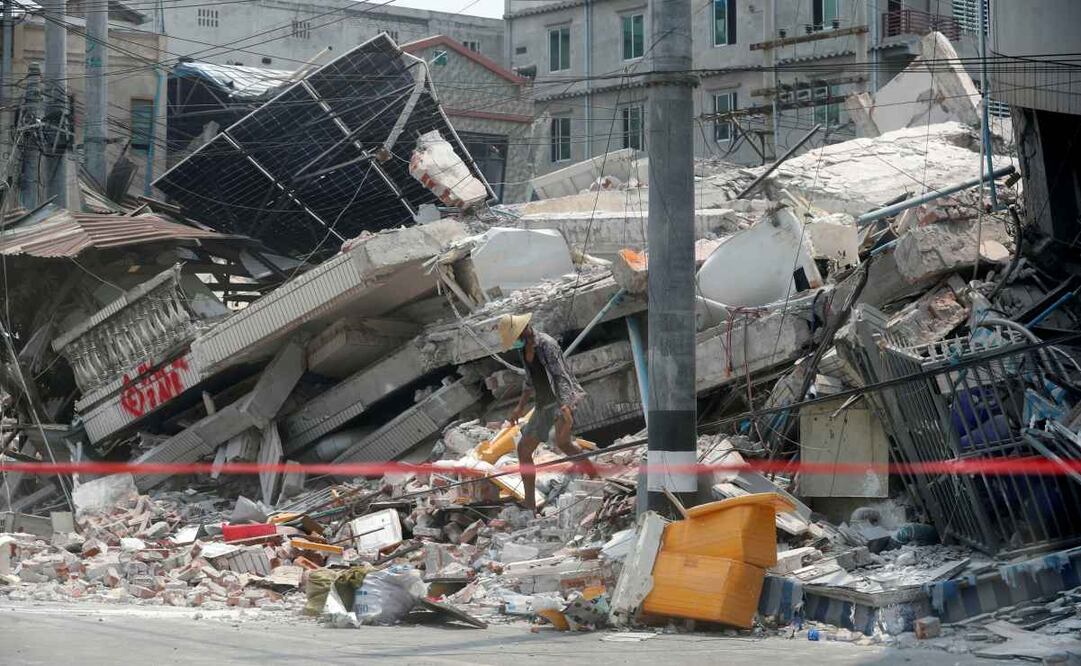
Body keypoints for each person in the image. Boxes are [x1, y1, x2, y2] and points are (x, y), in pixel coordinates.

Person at [498, 313, 599, 514]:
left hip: (561, 401)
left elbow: (561, 377)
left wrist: (566, 406)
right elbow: (529, 381)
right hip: (544, 404)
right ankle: (529, 503)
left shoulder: (547, 345)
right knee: (524, 450)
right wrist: (519, 407)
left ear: (524, 329)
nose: (516, 341)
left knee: (563, 443)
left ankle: (596, 478)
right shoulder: (523, 350)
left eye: (516, 336)